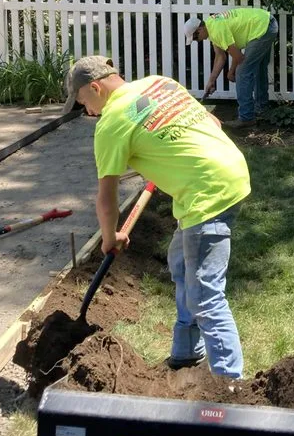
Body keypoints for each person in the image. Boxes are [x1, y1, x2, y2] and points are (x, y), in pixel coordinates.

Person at [63, 55, 249, 377]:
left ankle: (230, 387)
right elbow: (212, 122)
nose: (88, 113)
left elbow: (106, 199)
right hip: (231, 170)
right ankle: (186, 351)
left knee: (205, 294)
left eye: (83, 103)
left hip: (205, 195)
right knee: (180, 261)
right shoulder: (159, 83)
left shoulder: (111, 123)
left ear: (95, 87)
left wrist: (110, 238)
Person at [184, 8, 278, 128]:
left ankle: (246, 117)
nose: (198, 41)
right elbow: (220, 57)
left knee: (242, 73)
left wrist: (232, 71)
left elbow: (239, 57)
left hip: (262, 28)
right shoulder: (212, 25)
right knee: (257, 68)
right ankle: (262, 108)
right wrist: (211, 81)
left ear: (200, 29)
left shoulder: (217, 30)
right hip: (266, 22)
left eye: (196, 38)